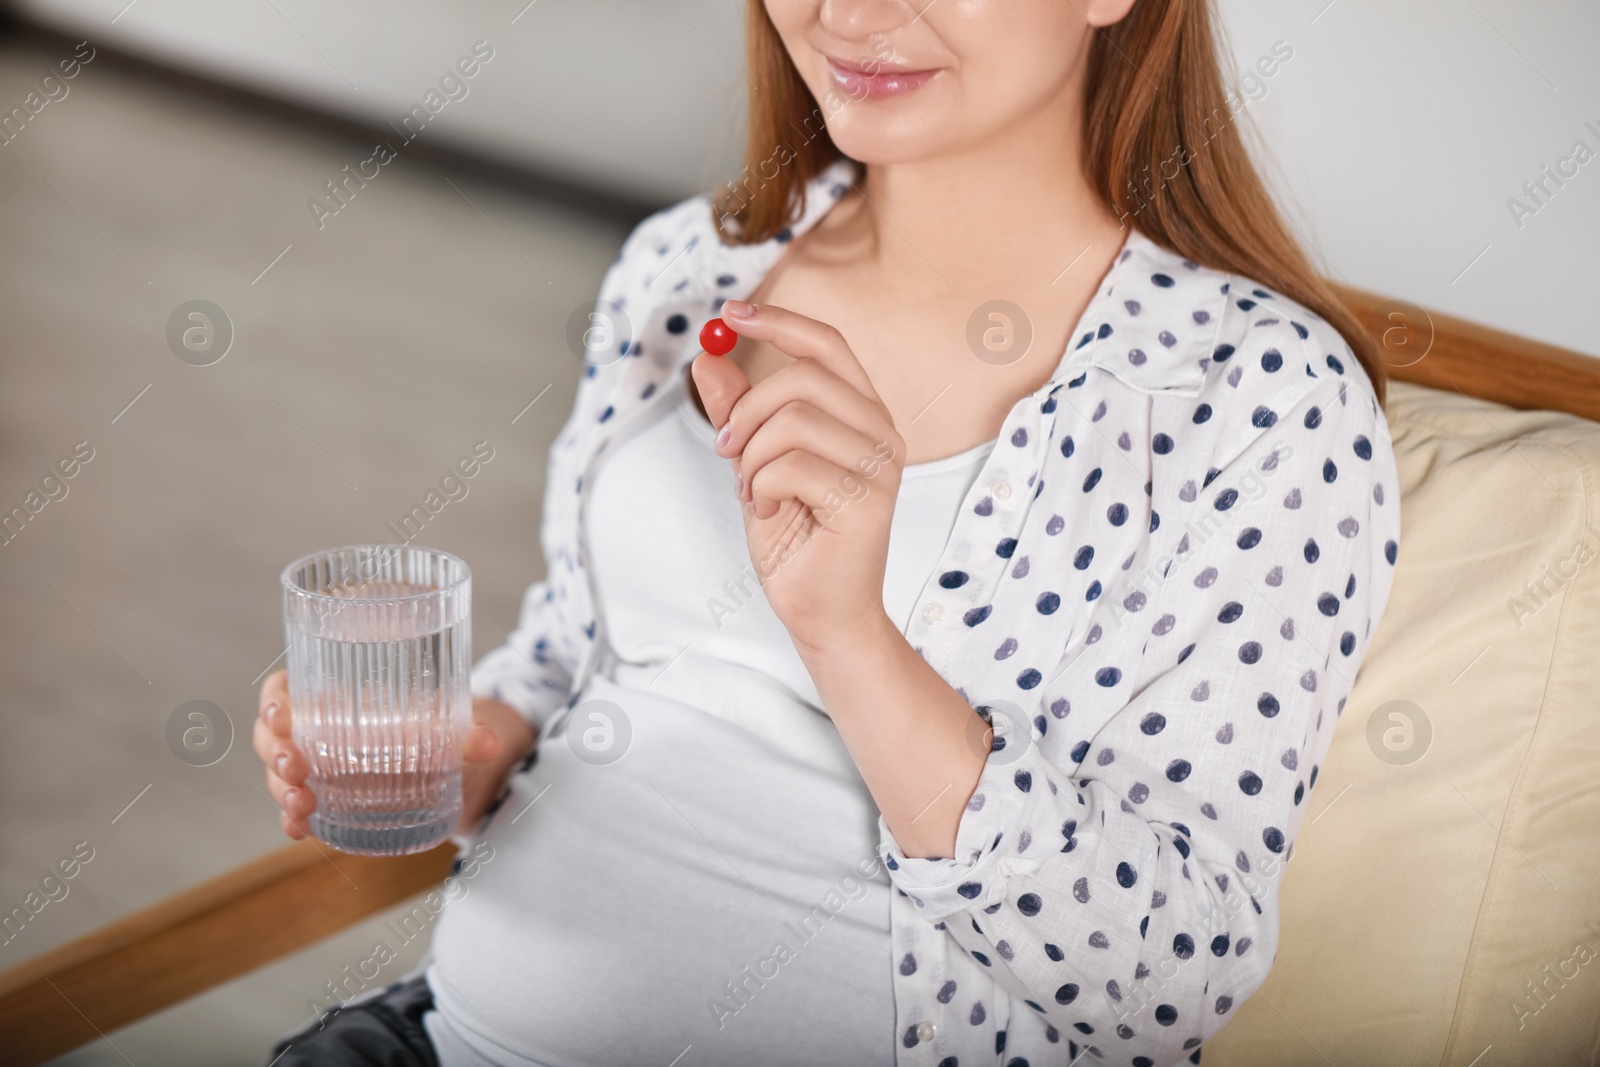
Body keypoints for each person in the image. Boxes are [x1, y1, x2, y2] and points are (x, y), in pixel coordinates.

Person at [254, 0, 1400, 1063]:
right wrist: (469, 748)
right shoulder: (688, 266)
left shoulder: (1254, 394)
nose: (849, 14)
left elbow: (1165, 976)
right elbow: (573, 651)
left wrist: (848, 633)